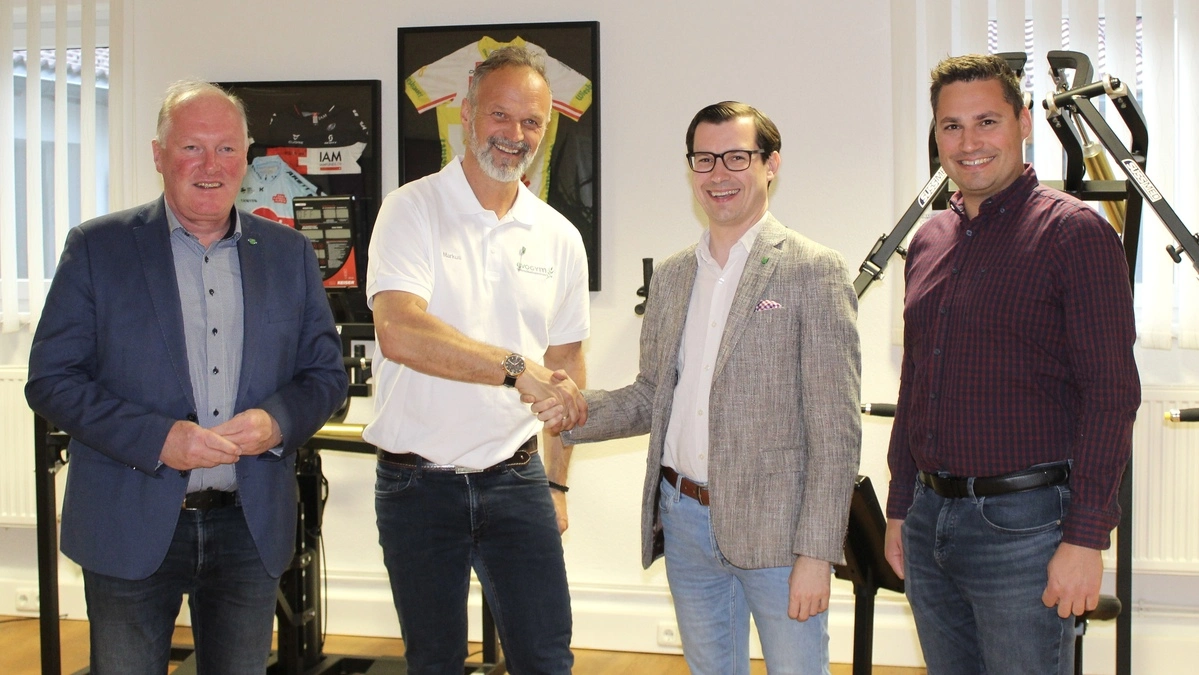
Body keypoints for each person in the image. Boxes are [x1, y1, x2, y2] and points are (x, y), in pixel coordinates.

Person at [25, 80, 349, 674]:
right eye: (191, 148)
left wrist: (277, 422)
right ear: (159, 155)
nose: (210, 165)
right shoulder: (98, 248)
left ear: (246, 158)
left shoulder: (288, 253)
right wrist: (158, 439)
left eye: (226, 149)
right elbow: (51, 378)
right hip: (129, 520)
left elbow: (325, 374)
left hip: (248, 525)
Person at [558, 102, 861, 675]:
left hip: (778, 531)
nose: (719, 174)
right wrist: (572, 410)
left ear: (771, 164)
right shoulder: (674, 276)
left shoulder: (813, 270)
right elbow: (651, 396)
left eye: (737, 157)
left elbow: (835, 432)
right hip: (685, 521)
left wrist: (817, 553)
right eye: (704, 159)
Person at [883, 54, 1141, 674]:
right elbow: (916, 383)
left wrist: (1085, 538)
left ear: (1023, 123)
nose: (968, 142)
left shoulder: (1075, 234)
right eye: (951, 126)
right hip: (928, 517)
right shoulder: (929, 240)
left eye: (987, 122)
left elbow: (1111, 395)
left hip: (1026, 529)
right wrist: (899, 506)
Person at [364, 46, 589, 675]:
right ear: (465, 112)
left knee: (546, 659)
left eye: (532, 122)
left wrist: (558, 483)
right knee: (435, 661)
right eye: (500, 114)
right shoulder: (411, 209)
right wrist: (516, 368)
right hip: (416, 486)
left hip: (517, 482)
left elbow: (566, 365)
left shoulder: (559, 237)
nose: (515, 134)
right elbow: (401, 332)